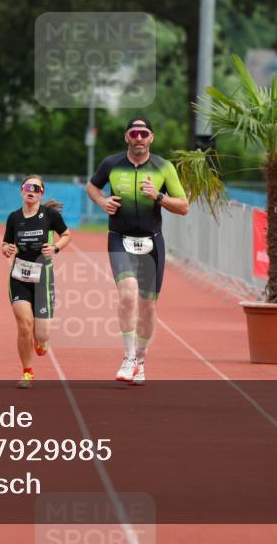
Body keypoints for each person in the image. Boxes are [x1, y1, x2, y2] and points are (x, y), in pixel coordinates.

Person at [86, 117, 188, 385]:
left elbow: (184, 206)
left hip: (152, 242)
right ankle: (128, 357)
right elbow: (92, 186)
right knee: (128, 294)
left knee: (148, 307)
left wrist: (158, 196)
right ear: (127, 137)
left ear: (151, 138)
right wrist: (102, 201)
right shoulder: (111, 164)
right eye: (134, 133)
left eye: (144, 133)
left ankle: (140, 361)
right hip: (119, 238)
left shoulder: (163, 167)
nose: (139, 138)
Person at [2, 176, 72, 388]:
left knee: (41, 334)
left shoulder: (49, 215)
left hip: (43, 277)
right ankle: (27, 373)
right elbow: (6, 243)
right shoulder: (14, 217)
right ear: (21, 191)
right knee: (25, 325)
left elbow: (66, 235)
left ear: (41, 193)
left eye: (36, 188)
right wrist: (6, 248)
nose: (30, 191)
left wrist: (56, 247)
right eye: (27, 187)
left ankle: (41, 341)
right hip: (19, 276)